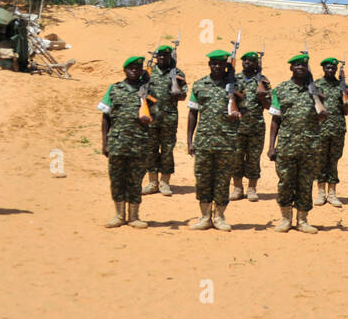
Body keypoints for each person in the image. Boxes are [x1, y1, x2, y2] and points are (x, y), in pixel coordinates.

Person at [186, 50, 245, 231]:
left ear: (226, 65)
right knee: (202, 179)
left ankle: (219, 216)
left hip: (227, 141)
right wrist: (189, 140)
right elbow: (192, 113)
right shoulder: (199, 85)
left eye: (220, 64)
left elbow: (247, 110)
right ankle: (205, 217)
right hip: (204, 141)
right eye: (213, 63)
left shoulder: (237, 86)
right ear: (209, 65)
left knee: (222, 179)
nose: (216, 66)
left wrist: (234, 99)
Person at [267, 53, 324, 233]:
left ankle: (302, 220)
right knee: (285, 182)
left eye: (303, 65)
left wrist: (317, 97)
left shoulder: (316, 90)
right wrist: (271, 146)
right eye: (296, 65)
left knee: (305, 183)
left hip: (310, 146)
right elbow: (275, 119)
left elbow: (323, 114)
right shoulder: (281, 89)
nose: (300, 67)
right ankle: (285, 218)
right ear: (291, 68)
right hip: (286, 145)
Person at [97, 55, 153, 228]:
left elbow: (157, 115)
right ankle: (119, 215)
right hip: (118, 143)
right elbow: (105, 118)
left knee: (135, 180)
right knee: (117, 179)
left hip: (139, 143)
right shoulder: (114, 89)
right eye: (131, 68)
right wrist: (105, 142)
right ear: (125, 70)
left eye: (138, 68)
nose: (134, 71)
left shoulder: (148, 91)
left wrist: (148, 117)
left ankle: (134, 216)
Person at [143, 44, 187, 197]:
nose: (162, 58)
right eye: (159, 55)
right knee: (150, 149)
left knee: (167, 150)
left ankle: (165, 182)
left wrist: (176, 84)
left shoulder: (178, 73)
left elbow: (183, 96)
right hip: (151, 117)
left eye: (165, 55)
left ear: (170, 57)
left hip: (169, 118)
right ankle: (152, 182)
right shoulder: (148, 72)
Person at [231, 52, 271, 201]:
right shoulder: (234, 79)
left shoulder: (263, 81)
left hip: (256, 127)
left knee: (254, 158)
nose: (247, 63)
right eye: (245, 60)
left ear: (257, 64)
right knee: (236, 157)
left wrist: (262, 96)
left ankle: (252, 188)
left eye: (251, 61)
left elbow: (269, 106)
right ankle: (237, 188)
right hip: (237, 126)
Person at [313, 57, 348, 207]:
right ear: (323, 68)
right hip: (321, 129)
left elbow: (345, 111)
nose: (330, 70)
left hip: (337, 128)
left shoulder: (341, 86)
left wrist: (346, 105)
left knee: (334, 160)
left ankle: (332, 193)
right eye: (328, 67)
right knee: (321, 160)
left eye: (333, 68)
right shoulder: (316, 85)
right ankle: (321, 192)